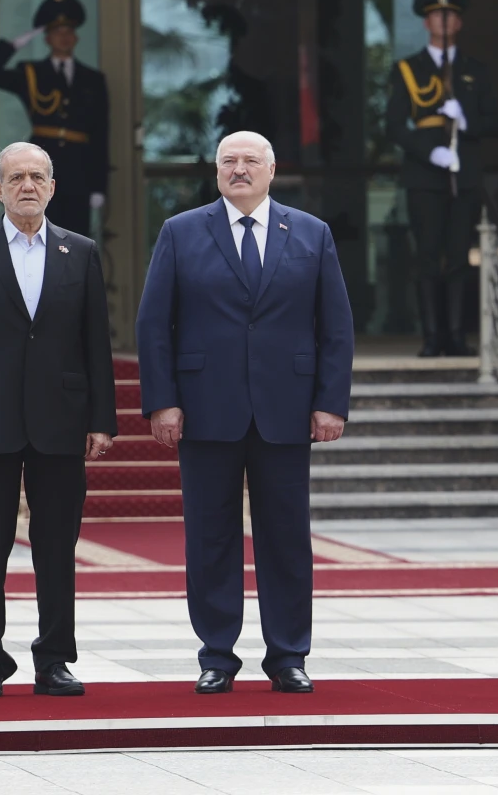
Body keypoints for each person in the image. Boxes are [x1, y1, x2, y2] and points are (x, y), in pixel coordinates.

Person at [136, 130, 355, 695]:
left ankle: (288, 655)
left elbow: (335, 326)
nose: (239, 169)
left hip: (287, 409)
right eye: (228, 161)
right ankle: (216, 655)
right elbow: (154, 324)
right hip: (205, 408)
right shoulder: (181, 231)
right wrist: (162, 401)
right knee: (210, 537)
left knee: (287, 539)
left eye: (250, 161)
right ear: (216, 171)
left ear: (271, 169)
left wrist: (330, 402)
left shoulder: (311, 232)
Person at [0, 141, 117, 700]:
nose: (27, 186)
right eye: (16, 178)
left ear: (53, 188)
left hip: (61, 418)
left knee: (57, 547)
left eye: (37, 177)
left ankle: (55, 658)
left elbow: (96, 343)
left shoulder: (80, 251)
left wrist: (102, 419)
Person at [385, 0, 498, 356]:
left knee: (458, 256)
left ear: (459, 22)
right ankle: (432, 337)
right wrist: (430, 152)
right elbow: (394, 126)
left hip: (463, 176)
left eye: (450, 15)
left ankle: (457, 335)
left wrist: (466, 121)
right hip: (424, 176)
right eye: (437, 15)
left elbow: (496, 122)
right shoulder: (408, 69)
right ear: (426, 22)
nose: (444, 21)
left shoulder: (475, 70)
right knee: (427, 256)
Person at [0, 0, 110, 238]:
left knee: (76, 239)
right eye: (57, 31)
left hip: (79, 167)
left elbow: (101, 134)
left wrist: (98, 186)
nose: (64, 37)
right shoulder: (31, 73)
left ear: (76, 37)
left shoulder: (93, 79)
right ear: (47, 38)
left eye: (69, 31)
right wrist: (14, 44)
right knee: (40, 235)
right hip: (41, 165)